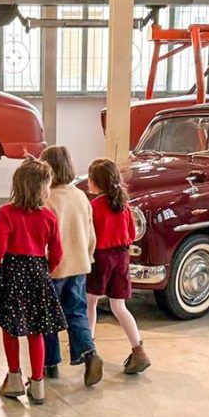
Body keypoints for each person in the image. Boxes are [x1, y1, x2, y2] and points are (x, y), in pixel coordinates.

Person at [0, 158, 66, 405]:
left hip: (12, 272)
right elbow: (58, 252)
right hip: (38, 273)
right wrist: (46, 270)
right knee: (36, 330)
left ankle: (14, 379)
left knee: (10, 327)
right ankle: (38, 384)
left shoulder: (6, 213)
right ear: (43, 188)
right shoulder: (49, 217)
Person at [40, 146, 105, 387]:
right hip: (79, 265)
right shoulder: (81, 197)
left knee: (48, 316)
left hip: (54, 268)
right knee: (77, 312)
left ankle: (50, 363)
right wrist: (88, 257)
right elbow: (91, 234)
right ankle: (89, 353)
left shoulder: (46, 199)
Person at [86, 158, 151, 375]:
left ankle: (89, 351)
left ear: (96, 182)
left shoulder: (94, 206)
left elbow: (90, 236)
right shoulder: (124, 205)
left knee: (90, 302)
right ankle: (138, 350)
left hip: (100, 258)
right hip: (122, 257)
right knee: (119, 306)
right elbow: (131, 235)